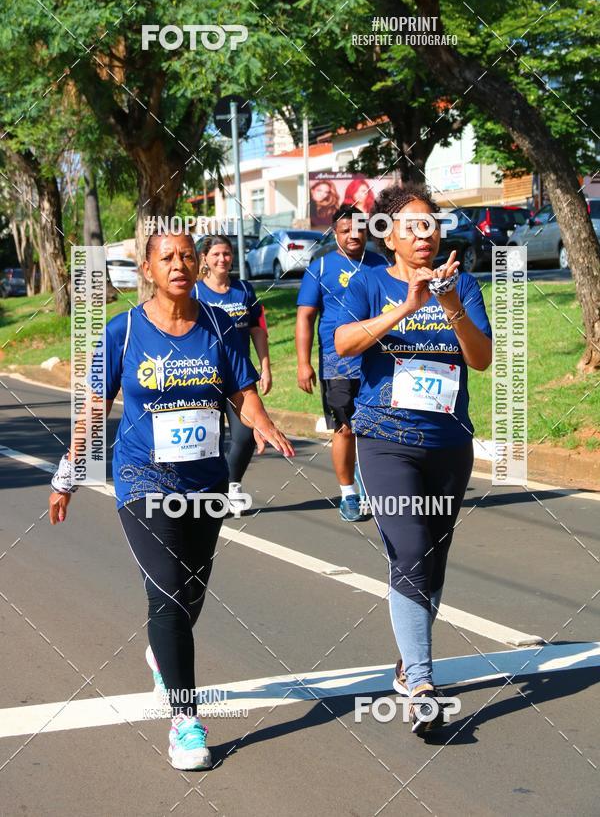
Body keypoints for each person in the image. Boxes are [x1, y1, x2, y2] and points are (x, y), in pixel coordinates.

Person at [48, 231, 294, 770]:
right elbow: (94, 407)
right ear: (148, 270)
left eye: (188, 256)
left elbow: (241, 391)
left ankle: (162, 654)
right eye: (168, 258)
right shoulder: (123, 331)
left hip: (205, 480)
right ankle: (185, 720)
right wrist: (68, 473)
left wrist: (264, 425)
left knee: (191, 591)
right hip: (143, 477)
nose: (181, 264)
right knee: (165, 596)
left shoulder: (219, 327)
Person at [334, 182, 492, 735]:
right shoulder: (370, 283)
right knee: (410, 548)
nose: (425, 236)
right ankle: (421, 683)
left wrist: (449, 305)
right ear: (389, 235)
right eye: (412, 227)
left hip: (448, 442)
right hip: (384, 439)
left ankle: (407, 664)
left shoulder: (463, 285)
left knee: (433, 560)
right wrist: (405, 308)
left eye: (432, 225)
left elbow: (481, 359)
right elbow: (345, 345)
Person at [296, 205, 388, 522]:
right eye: (346, 229)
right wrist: (303, 363)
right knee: (345, 429)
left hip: (378, 359)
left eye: (359, 228)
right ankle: (349, 494)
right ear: (335, 232)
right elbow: (305, 317)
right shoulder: (320, 268)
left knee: (378, 428)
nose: (353, 234)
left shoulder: (381, 264)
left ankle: (374, 485)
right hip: (338, 364)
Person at [194, 235, 271, 514]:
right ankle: (208, 491)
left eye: (226, 253)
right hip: (205, 379)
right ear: (205, 258)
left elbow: (258, 330)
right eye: (215, 254)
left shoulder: (244, 290)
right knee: (209, 439)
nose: (222, 259)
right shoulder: (196, 293)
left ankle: (233, 486)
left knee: (245, 434)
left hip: (240, 378)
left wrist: (265, 367)